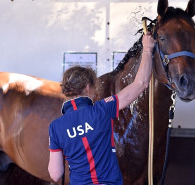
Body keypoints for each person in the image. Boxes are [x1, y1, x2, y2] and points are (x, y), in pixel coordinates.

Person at [48, 33, 155, 184]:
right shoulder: (103, 108)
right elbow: (141, 83)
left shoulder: (55, 127)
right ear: (87, 87)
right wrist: (148, 49)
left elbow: (55, 174)